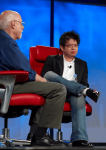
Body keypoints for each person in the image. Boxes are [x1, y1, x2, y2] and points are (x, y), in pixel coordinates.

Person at [0, 10, 67, 147]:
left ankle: (35, 133)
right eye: (21, 23)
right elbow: (25, 70)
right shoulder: (6, 42)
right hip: (9, 85)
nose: (23, 27)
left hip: (7, 84)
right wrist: (44, 81)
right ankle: (40, 135)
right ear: (13, 24)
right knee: (58, 89)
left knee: (46, 90)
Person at [27, 31, 100, 147]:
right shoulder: (52, 59)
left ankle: (79, 140)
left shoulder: (82, 64)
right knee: (50, 75)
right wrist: (75, 87)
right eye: (69, 45)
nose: (73, 48)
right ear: (62, 47)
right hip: (55, 92)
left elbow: (84, 83)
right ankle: (83, 90)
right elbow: (45, 77)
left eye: (75, 45)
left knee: (79, 96)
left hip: (73, 94)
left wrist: (78, 88)